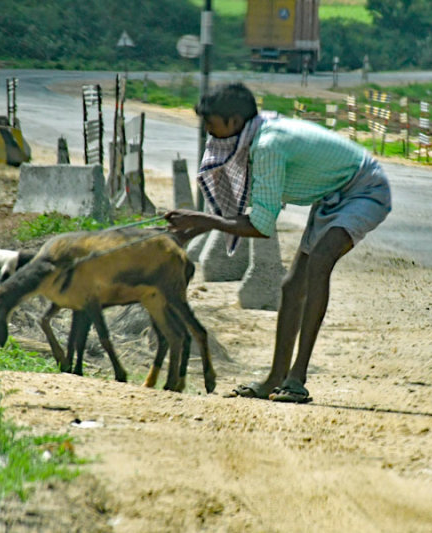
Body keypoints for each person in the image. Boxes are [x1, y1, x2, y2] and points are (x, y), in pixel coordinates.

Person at [165, 82, 391, 403]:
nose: (209, 133)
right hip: (334, 195)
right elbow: (258, 215)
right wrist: (201, 224)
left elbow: (260, 226)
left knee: (319, 265)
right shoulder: (258, 131)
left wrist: (202, 222)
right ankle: (275, 377)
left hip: (364, 188)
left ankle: (297, 378)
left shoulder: (267, 146)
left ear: (233, 122)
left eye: (212, 124)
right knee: (291, 286)